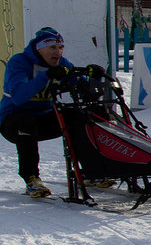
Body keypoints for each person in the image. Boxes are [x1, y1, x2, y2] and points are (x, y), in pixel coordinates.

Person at [0, 27, 106, 198]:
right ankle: (31, 178)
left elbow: (82, 90)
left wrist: (94, 77)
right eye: (52, 48)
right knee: (25, 121)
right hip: (13, 121)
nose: (58, 52)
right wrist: (46, 76)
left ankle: (91, 171)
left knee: (78, 117)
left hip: (43, 118)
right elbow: (19, 97)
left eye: (61, 47)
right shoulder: (19, 62)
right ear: (39, 48)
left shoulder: (61, 63)